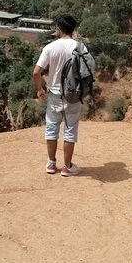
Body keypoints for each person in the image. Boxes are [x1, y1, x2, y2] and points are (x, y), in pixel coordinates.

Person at [32, 14, 87, 177]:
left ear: (59, 29)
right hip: (73, 95)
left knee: (52, 128)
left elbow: (36, 72)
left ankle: (51, 163)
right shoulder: (80, 47)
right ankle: (67, 167)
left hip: (54, 94)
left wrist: (40, 89)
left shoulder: (50, 47)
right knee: (70, 130)